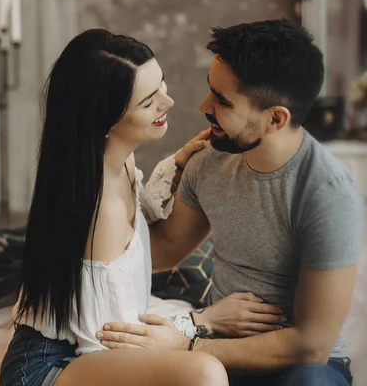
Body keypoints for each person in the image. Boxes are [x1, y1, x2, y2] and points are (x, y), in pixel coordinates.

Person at [96, 19, 364, 386]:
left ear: (275, 119)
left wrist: (187, 345)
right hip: (216, 354)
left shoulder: (327, 194)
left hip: (298, 366)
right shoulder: (209, 159)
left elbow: (311, 346)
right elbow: (162, 251)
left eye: (221, 101)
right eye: (211, 91)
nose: (202, 106)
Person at [0, 28, 229, 386]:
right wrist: (202, 322)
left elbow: (136, 239)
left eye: (162, 85)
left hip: (87, 346)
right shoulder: (99, 207)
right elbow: (112, 342)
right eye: (149, 101)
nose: (167, 103)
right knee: (205, 373)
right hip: (55, 364)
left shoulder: (112, 158)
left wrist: (178, 165)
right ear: (106, 120)